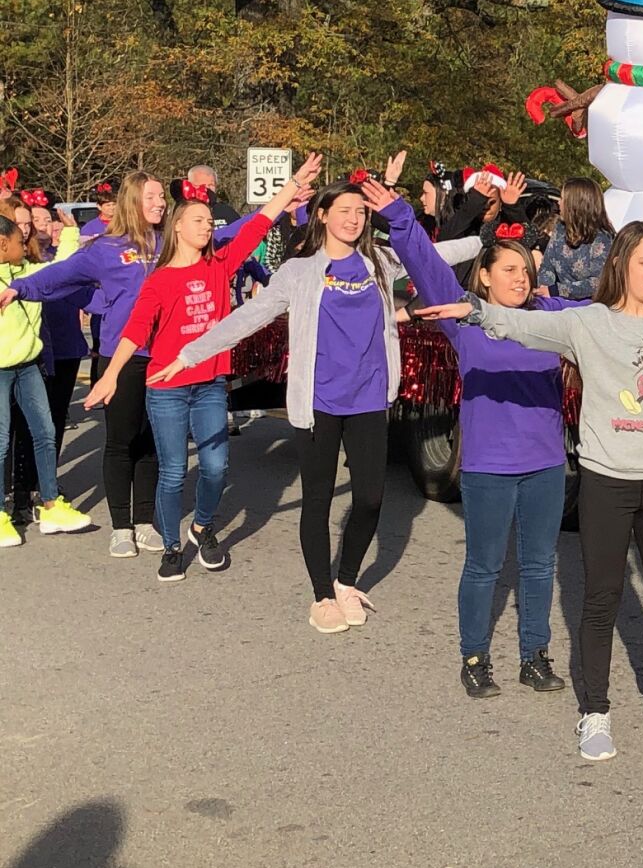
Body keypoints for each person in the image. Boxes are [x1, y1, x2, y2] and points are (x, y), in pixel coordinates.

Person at [419, 161, 643, 760]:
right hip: (607, 484)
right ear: (622, 265)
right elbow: (523, 327)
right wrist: (475, 312)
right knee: (601, 599)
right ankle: (594, 710)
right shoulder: (586, 323)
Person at [152, 178, 484, 633]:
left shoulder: (380, 262)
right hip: (318, 403)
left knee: (370, 497)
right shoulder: (300, 272)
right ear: (323, 215)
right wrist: (190, 354)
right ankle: (322, 595)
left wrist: (488, 240)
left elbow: (435, 255)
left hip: (369, 398)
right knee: (319, 499)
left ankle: (346, 582)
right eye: (344, 210)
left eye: (360, 212)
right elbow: (250, 316)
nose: (353, 218)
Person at [361, 177, 579, 697]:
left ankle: (534, 655)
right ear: (483, 277)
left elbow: (615, 305)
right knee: (483, 565)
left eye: (525, 270)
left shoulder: (552, 316)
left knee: (538, 563)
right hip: (488, 465)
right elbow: (428, 267)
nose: (520, 278)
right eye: (508, 270)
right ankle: (475, 657)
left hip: (546, 462)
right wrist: (401, 216)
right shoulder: (465, 320)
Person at [85, 157, 323, 581]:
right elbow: (134, 331)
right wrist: (109, 374)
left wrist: (292, 186)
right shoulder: (158, 280)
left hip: (211, 383)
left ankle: (201, 529)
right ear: (177, 226)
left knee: (215, 467)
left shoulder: (221, 265)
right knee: (174, 470)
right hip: (168, 388)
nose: (207, 226)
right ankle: (172, 547)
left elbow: (258, 225)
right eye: (198, 220)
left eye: (210, 221)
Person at [3, 172, 169, 555]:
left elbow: (225, 238)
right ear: (133, 200)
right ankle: (122, 526)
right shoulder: (105, 247)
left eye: (162, 196)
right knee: (121, 440)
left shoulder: (169, 242)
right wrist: (21, 289)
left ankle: (145, 521)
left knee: (151, 441)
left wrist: (284, 200)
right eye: (153, 196)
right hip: (120, 356)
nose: (160, 202)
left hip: (163, 356)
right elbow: (62, 277)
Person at [0, 213, 93, 546]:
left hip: (28, 367)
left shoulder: (26, 275)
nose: (25, 244)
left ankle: (51, 505)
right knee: (0, 444)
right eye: (18, 241)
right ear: (2, 244)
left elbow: (60, 270)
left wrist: (69, 232)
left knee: (45, 433)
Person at [537, 176, 614, 301]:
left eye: (562, 198)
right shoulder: (560, 230)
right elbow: (547, 267)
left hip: (591, 306)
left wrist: (556, 291)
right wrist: (543, 290)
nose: (558, 202)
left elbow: (597, 282)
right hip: (559, 301)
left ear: (575, 204)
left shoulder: (602, 239)